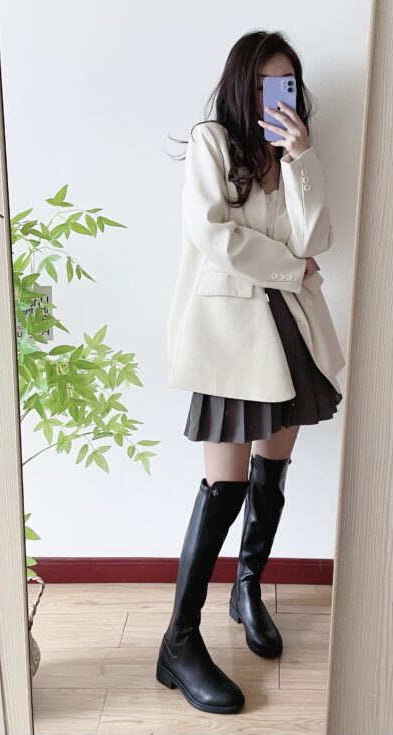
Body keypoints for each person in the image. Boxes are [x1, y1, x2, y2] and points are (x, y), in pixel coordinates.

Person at [156, 29, 346, 715]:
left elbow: (317, 237)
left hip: (290, 331)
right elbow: (216, 236)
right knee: (224, 485)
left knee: (273, 468)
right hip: (229, 338)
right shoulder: (211, 142)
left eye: (286, 84)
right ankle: (179, 641)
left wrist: (301, 159)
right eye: (267, 84)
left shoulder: (291, 156)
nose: (277, 96)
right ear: (243, 84)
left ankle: (246, 587)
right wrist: (290, 264)